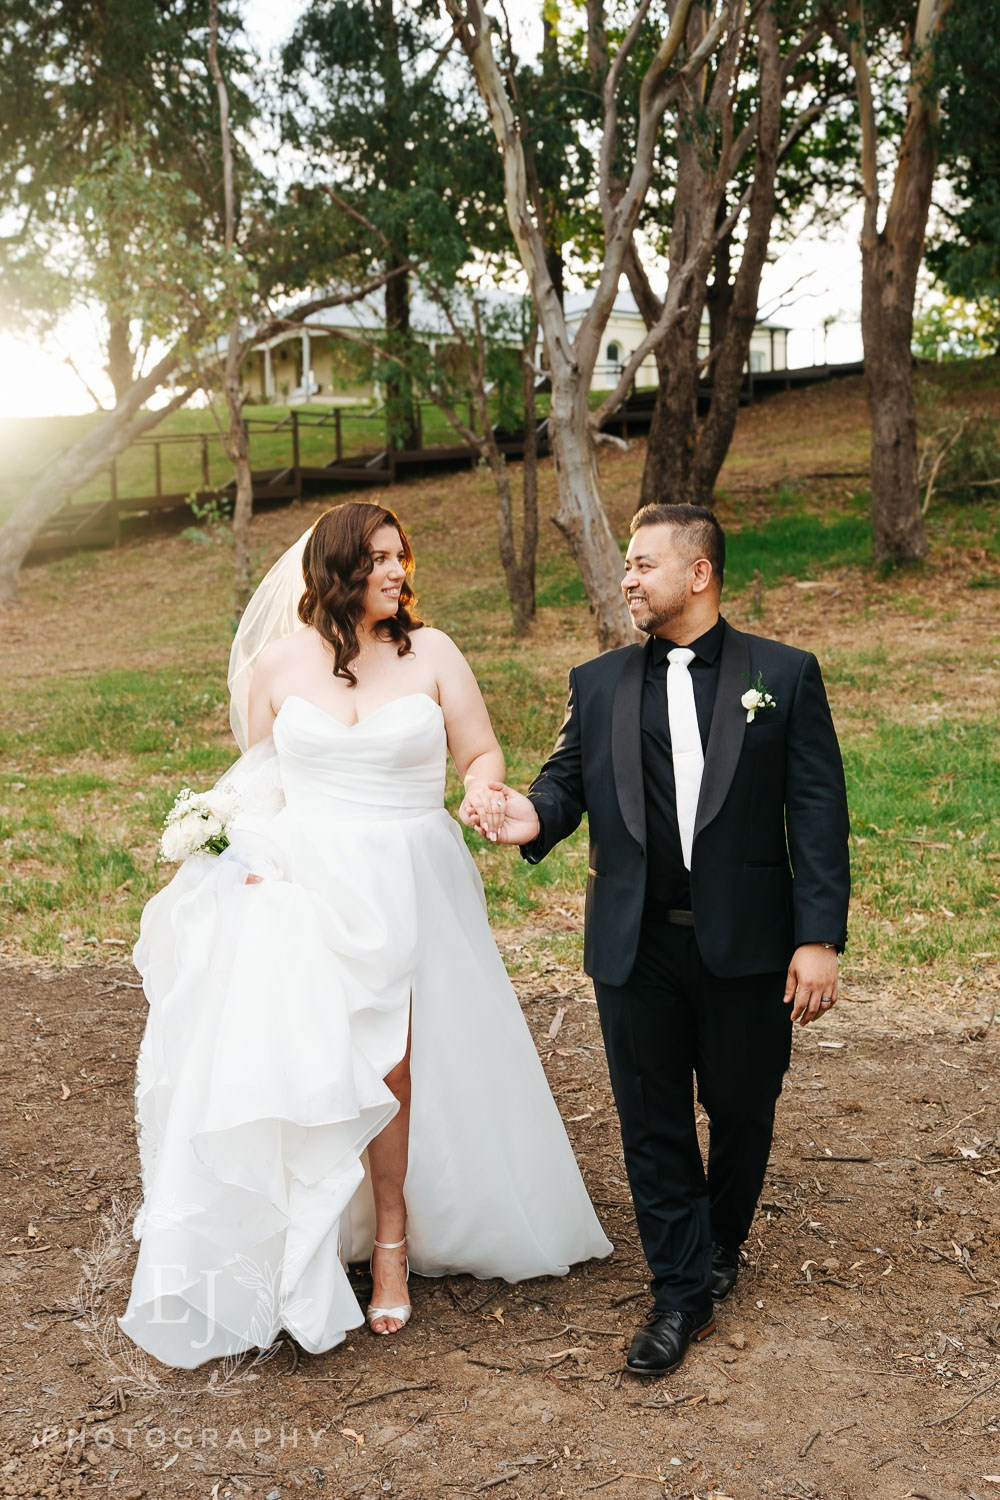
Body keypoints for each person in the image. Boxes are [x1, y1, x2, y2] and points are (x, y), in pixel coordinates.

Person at [119, 501, 611, 1368]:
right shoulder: (276, 666)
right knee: (321, 1056)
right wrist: (241, 858)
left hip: (411, 876)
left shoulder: (434, 653)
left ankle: (393, 1240)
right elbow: (260, 780)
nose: (397, 571)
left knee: (397, 1059)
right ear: (339, 570)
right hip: (309, 885)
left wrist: (483, 792)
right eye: (379, 559)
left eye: (400, 556)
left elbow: (481, 751)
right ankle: (316, 1228)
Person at [463, 503, 850, 1377]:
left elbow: (819, 815)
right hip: (634, 945)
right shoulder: (597, 684)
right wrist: (522, 816)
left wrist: (818, 938)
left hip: (751, 945)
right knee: (652, 1123)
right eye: (627, 566)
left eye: (643, 564)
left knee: (745, 1109)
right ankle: (680, 1291)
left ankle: (722, 1239)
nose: (627, 579)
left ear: (699, 574)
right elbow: (560, 788)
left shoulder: (784, 676)